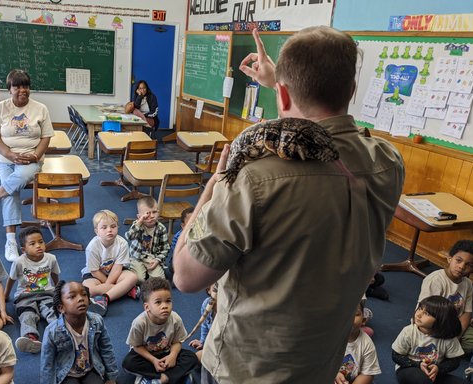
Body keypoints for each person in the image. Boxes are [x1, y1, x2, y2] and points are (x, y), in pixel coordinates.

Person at [173, 26, 405, 383]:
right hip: (320, 363)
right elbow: (327, 134)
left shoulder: (253, 178)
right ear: (352, 91)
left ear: (282, 95)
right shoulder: (387, 163)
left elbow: (187, 276)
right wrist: (279, 85)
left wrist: (216, 185)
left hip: (246, 368)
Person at [0, 68, 54, 262]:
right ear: (9, 89)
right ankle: (11, 241)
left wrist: (35, 156)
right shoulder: (1, 108)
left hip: (31, 159)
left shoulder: (40, 108)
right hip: (6, 159)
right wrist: (9, 154)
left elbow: (46, 137)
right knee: (11, 191)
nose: (22, 90)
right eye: (17, 86)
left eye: (25, 86)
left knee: (18, 179)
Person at [40, 280, 118, 384]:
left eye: (84, 295)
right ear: (61, 307)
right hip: (67, 373)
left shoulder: (97, 321)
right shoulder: (52, 332)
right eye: (72, 297)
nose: (80, 299)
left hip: (91, 369)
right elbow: (47, 364)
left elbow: (106, 349)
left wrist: (111, 377)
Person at [122, 277, 198, 384]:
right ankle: (169, 376)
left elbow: (177, 342)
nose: (164, 306)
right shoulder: (139, 322)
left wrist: (172, 356)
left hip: (167, 352)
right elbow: (137, 346)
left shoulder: (175, 318)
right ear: (147, 307)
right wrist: (153, 360)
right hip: (147, 356)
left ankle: (160, 378)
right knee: (128, 362)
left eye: (168, 301)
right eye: (158, 302)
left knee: (191, 357)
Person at [4, 226, 60, 354]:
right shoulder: (19, 262)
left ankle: (60, 333)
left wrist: (58, 291)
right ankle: (31, 338)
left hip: (46, 294)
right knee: (27, 315)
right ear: (24, 250)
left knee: (52, 311)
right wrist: (5, 295)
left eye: (41, 242)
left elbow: (55, 274)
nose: (38, 246)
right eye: (32, 244)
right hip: (25, 296)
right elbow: (11, 279)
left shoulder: (51, 258)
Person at [418, 240, 473, 354]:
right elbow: (426, 312)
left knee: (472, 344)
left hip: (454, 326)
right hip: (432, 324)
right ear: (449, 258)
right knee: (430, 346)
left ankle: (449, 346)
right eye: (458, 260)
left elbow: (467, 313)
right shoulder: (435, 280)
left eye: (469, 265)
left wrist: (457, 336)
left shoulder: (468, 284)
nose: (461, 267)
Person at [392, 296, 466, 384]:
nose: (418, 314)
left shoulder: (448, 337)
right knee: (423, 381)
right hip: (409, 368)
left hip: (434, 372)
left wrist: (439, 368)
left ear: (441, 320)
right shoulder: (409, 331)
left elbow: (454, 361)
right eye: (420, 309)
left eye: (426, 313)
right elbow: (396, 355)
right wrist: (418, 364)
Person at [82, 210, 139, 314]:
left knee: (133, 277)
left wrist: (107, 284)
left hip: (115, 272)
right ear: (96, 231)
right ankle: (126, 291)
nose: (109, 230)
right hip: (95, 274)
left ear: (117, 227)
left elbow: (117, 268)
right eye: (104, 227)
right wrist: (108, 282)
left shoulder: (122, 243)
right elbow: (94, 271)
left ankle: (104, 298)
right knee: (87, 289)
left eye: (113, 226)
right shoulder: (92, 247)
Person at [125, 197, 170, 284]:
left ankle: (149, 275)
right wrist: (139, 222)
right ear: (139, 216)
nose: (152, 216)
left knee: (160, 281)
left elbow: (165, 249)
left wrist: (157, 260)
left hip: (152, 258)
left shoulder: (161, 228)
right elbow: (129, 236)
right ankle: (143, 275)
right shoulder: (137, 225)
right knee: (138, 279)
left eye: (154, 212)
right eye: (147, 213)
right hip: (137, 257)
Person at [335, 300, 381, 384]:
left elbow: (367, 374)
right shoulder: (329, 338)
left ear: (363, 320)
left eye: (355, 314)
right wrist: (333, 374)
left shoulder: (367, 343)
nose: (349, 318)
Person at [188, 282, 217, 362]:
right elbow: (204, 324)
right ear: (209, 290)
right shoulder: (206, 304)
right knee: (195, 360)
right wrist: (202, 341)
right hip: (214, 341)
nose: (220, 291)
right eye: (216, 288)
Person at [167, 207, 193, 279]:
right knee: (172, 267)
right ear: (183, 226)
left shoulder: (201, 233)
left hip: (196, 258)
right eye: (191, 223)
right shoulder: (178, 237)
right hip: (181, 258)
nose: (194, 225)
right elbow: (176, 253)